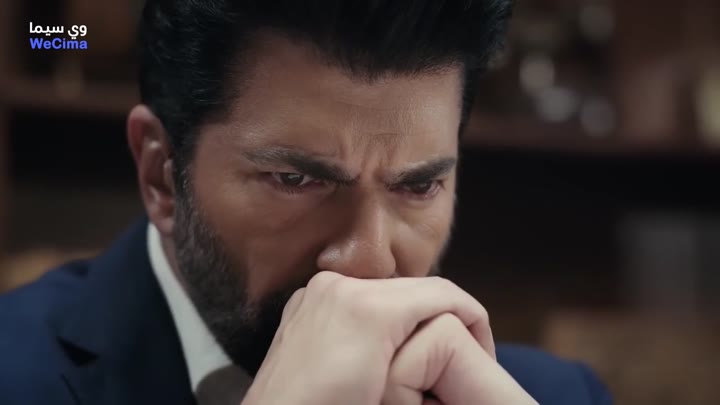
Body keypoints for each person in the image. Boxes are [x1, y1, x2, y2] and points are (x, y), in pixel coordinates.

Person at [0, 1, 613, 404]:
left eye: (418, 186)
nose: (369, 262)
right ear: (162, 175)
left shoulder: (556, 395)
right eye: (295, 180)